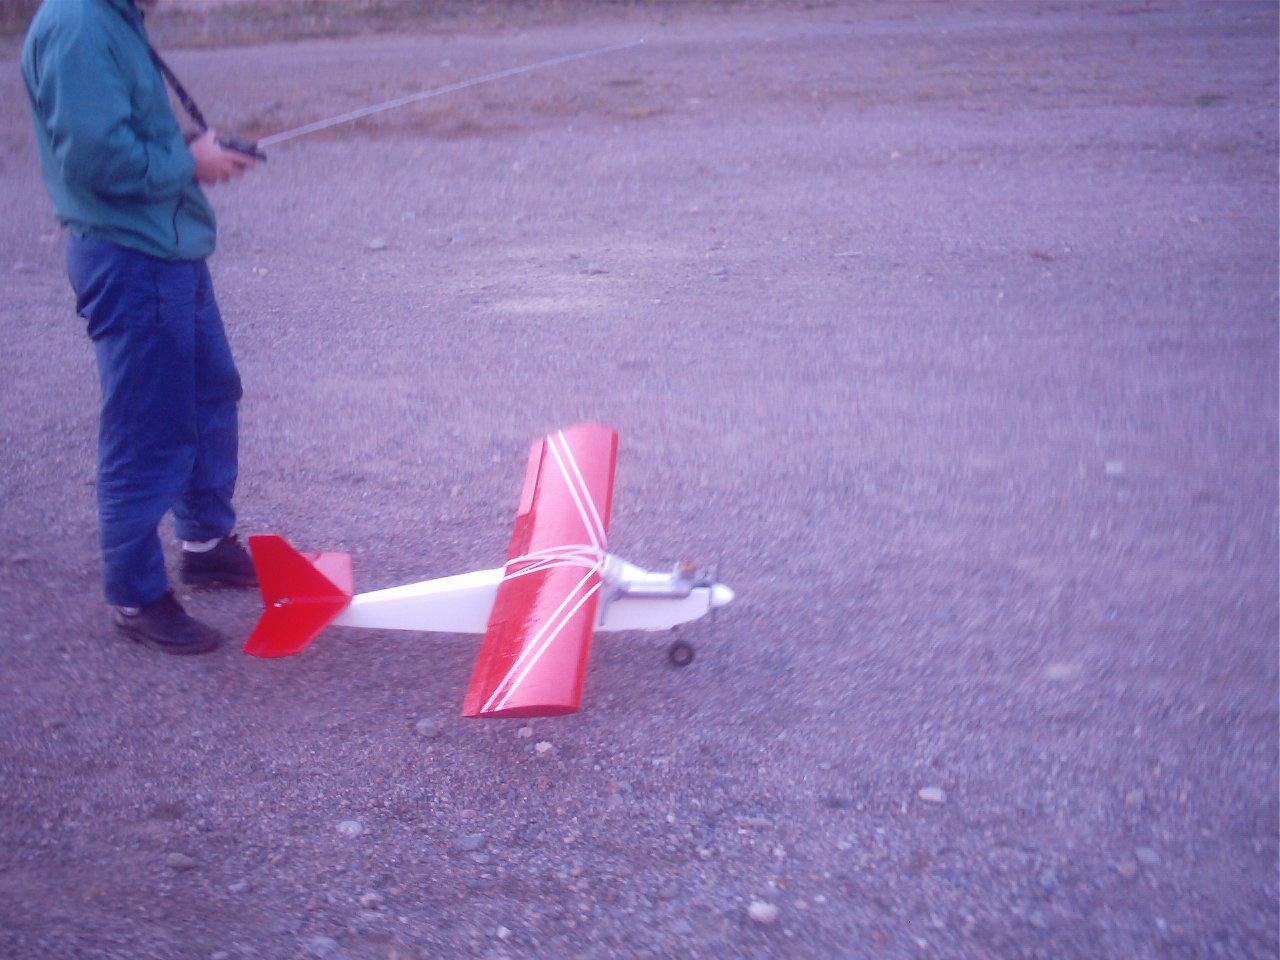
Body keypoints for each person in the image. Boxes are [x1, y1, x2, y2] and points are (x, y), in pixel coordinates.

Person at [23, 0, 260, 654]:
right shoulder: (77, 24)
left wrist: (195, 150)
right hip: (132, 259)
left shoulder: (111, 17)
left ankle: (206, 545)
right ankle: (136, 595)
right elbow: (97, 161)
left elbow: (124, 131)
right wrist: (191, 164)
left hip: (168, 248)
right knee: (146, 428)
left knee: (210, 395)